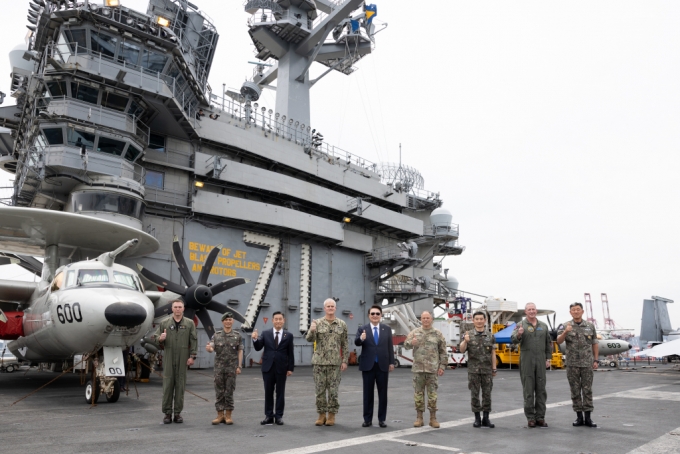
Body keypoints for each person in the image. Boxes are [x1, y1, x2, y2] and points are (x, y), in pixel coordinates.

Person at [305, 298, 349, 426]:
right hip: (319, 363)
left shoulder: (342, 324)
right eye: (328, 306)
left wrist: (345, 361)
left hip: (335, 363)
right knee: (319, 390)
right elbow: (309, 339)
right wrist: (312, 330)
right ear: (324, 308)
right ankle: (321, 415)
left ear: (335, 308)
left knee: (333, 391)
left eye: (332, 306)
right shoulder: (317, 323)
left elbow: (345, 344)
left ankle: (331, 415)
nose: (330, 308)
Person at [154, 299, 197, 424]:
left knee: (180, 385)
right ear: (172, 309)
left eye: (180, 307)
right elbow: (156, 337)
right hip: (169, 355)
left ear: (183, 309)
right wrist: (160, 338)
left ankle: (177, 413)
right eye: (175, 307)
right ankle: (167, 413)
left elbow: (193, 340)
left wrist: (192, 356)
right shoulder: (164, 323)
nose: (178, 309)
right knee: (168, 385)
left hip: (183, 356)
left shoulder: (189, 324)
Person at [556, 302, 599, 428]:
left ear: (582, 311)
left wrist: (596, 360)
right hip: (572, 363)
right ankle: (579, 417)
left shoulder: (590, 326)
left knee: (587, 390)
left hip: (586, 363)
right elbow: (558, 341)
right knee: (575, 390)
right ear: (570, 312)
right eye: (573, 310)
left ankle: (588, 418)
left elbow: (595, 343)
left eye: (578, 309)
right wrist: (565, 332)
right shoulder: (565, 325)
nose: (576, 312)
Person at [511, 302, 553, 428]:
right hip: (527, 360)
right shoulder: (520, 325)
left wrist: (548, 359)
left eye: (533, 309)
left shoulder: (543, 326)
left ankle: (540, 417)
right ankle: (530, 418)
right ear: (525, 311)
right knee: (528, 390)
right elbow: (512, 340)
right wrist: (519, 334)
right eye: (529, 309)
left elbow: (548, 343)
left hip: (540, 360)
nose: (531, 311)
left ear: (536, 311)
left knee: (541, 390)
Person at [403, 311, 447, 428]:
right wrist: (411, 343)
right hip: (418, 370)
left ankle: (433, 418)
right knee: (418, 394)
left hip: (432, 370)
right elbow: (405, 345)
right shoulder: (415, 333)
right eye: (423, 318)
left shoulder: (438, 334)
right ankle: (419, 418)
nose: (426, 320)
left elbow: (443, 352)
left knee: (432, 395)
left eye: (428, 318)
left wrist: (442, 366)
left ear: (431, 319)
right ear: (421, 319)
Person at [354, 305, 394, 428]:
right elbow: (356, 342)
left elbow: (390, 347)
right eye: (372, 314)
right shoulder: (363, 329)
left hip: (382, 365)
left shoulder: (386, 329)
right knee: (367, 394)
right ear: (369, 315)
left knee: (383, 394)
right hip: (368, 366)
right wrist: (361, 338)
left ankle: (382, 419)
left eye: (377, 313)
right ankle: (367, 419)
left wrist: (391, 362)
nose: (375, 316)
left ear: (381, 315)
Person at [252, 311, 295, 425]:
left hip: (282, 368)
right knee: (268, 392)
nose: (278, 321)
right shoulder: (266, 333)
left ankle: (279, 416)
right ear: (272, 321)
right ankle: (269, 416)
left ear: (283, 320)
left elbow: (290, 353)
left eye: (280, 319)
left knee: (280, 393)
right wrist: (255, 339)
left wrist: (290, 368)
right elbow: (258, 347)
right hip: (268, 367)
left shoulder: (288, 335)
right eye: (276, 319)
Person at [459, 311, 497, 428]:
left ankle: (486, 418)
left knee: (487, 395)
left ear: (485, 320)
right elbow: (461, 350)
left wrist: (494, 368)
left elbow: (493, 353)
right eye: (477, 319)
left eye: (481, 319)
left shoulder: (490, 336)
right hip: (473, 371)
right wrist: (465, 340)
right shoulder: (468, 334)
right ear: (473, 321)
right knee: (474, 395)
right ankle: (477, 419)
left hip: (487, 371)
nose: (479, 321)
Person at [206, 312, 243, 425]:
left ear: (233, 322)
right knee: (219, 392)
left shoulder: (237, 336)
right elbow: (211, 346)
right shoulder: (216, 335)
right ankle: (219, 415)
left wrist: (239, 366)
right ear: (222, 322)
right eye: (226, 320)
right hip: (219, 369)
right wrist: (209, 349)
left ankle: (228, 416)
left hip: (231, 369)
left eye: (230, 320)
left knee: (229, 391)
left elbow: (240, 351)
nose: (228, 321)